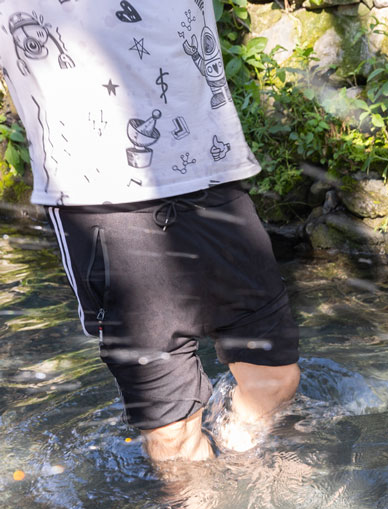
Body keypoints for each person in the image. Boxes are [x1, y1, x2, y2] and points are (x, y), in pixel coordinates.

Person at [0, 0, 299, 464]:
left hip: (213, 177)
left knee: (275, 377)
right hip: (101, 204)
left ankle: (241, 466)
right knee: (174, 430)